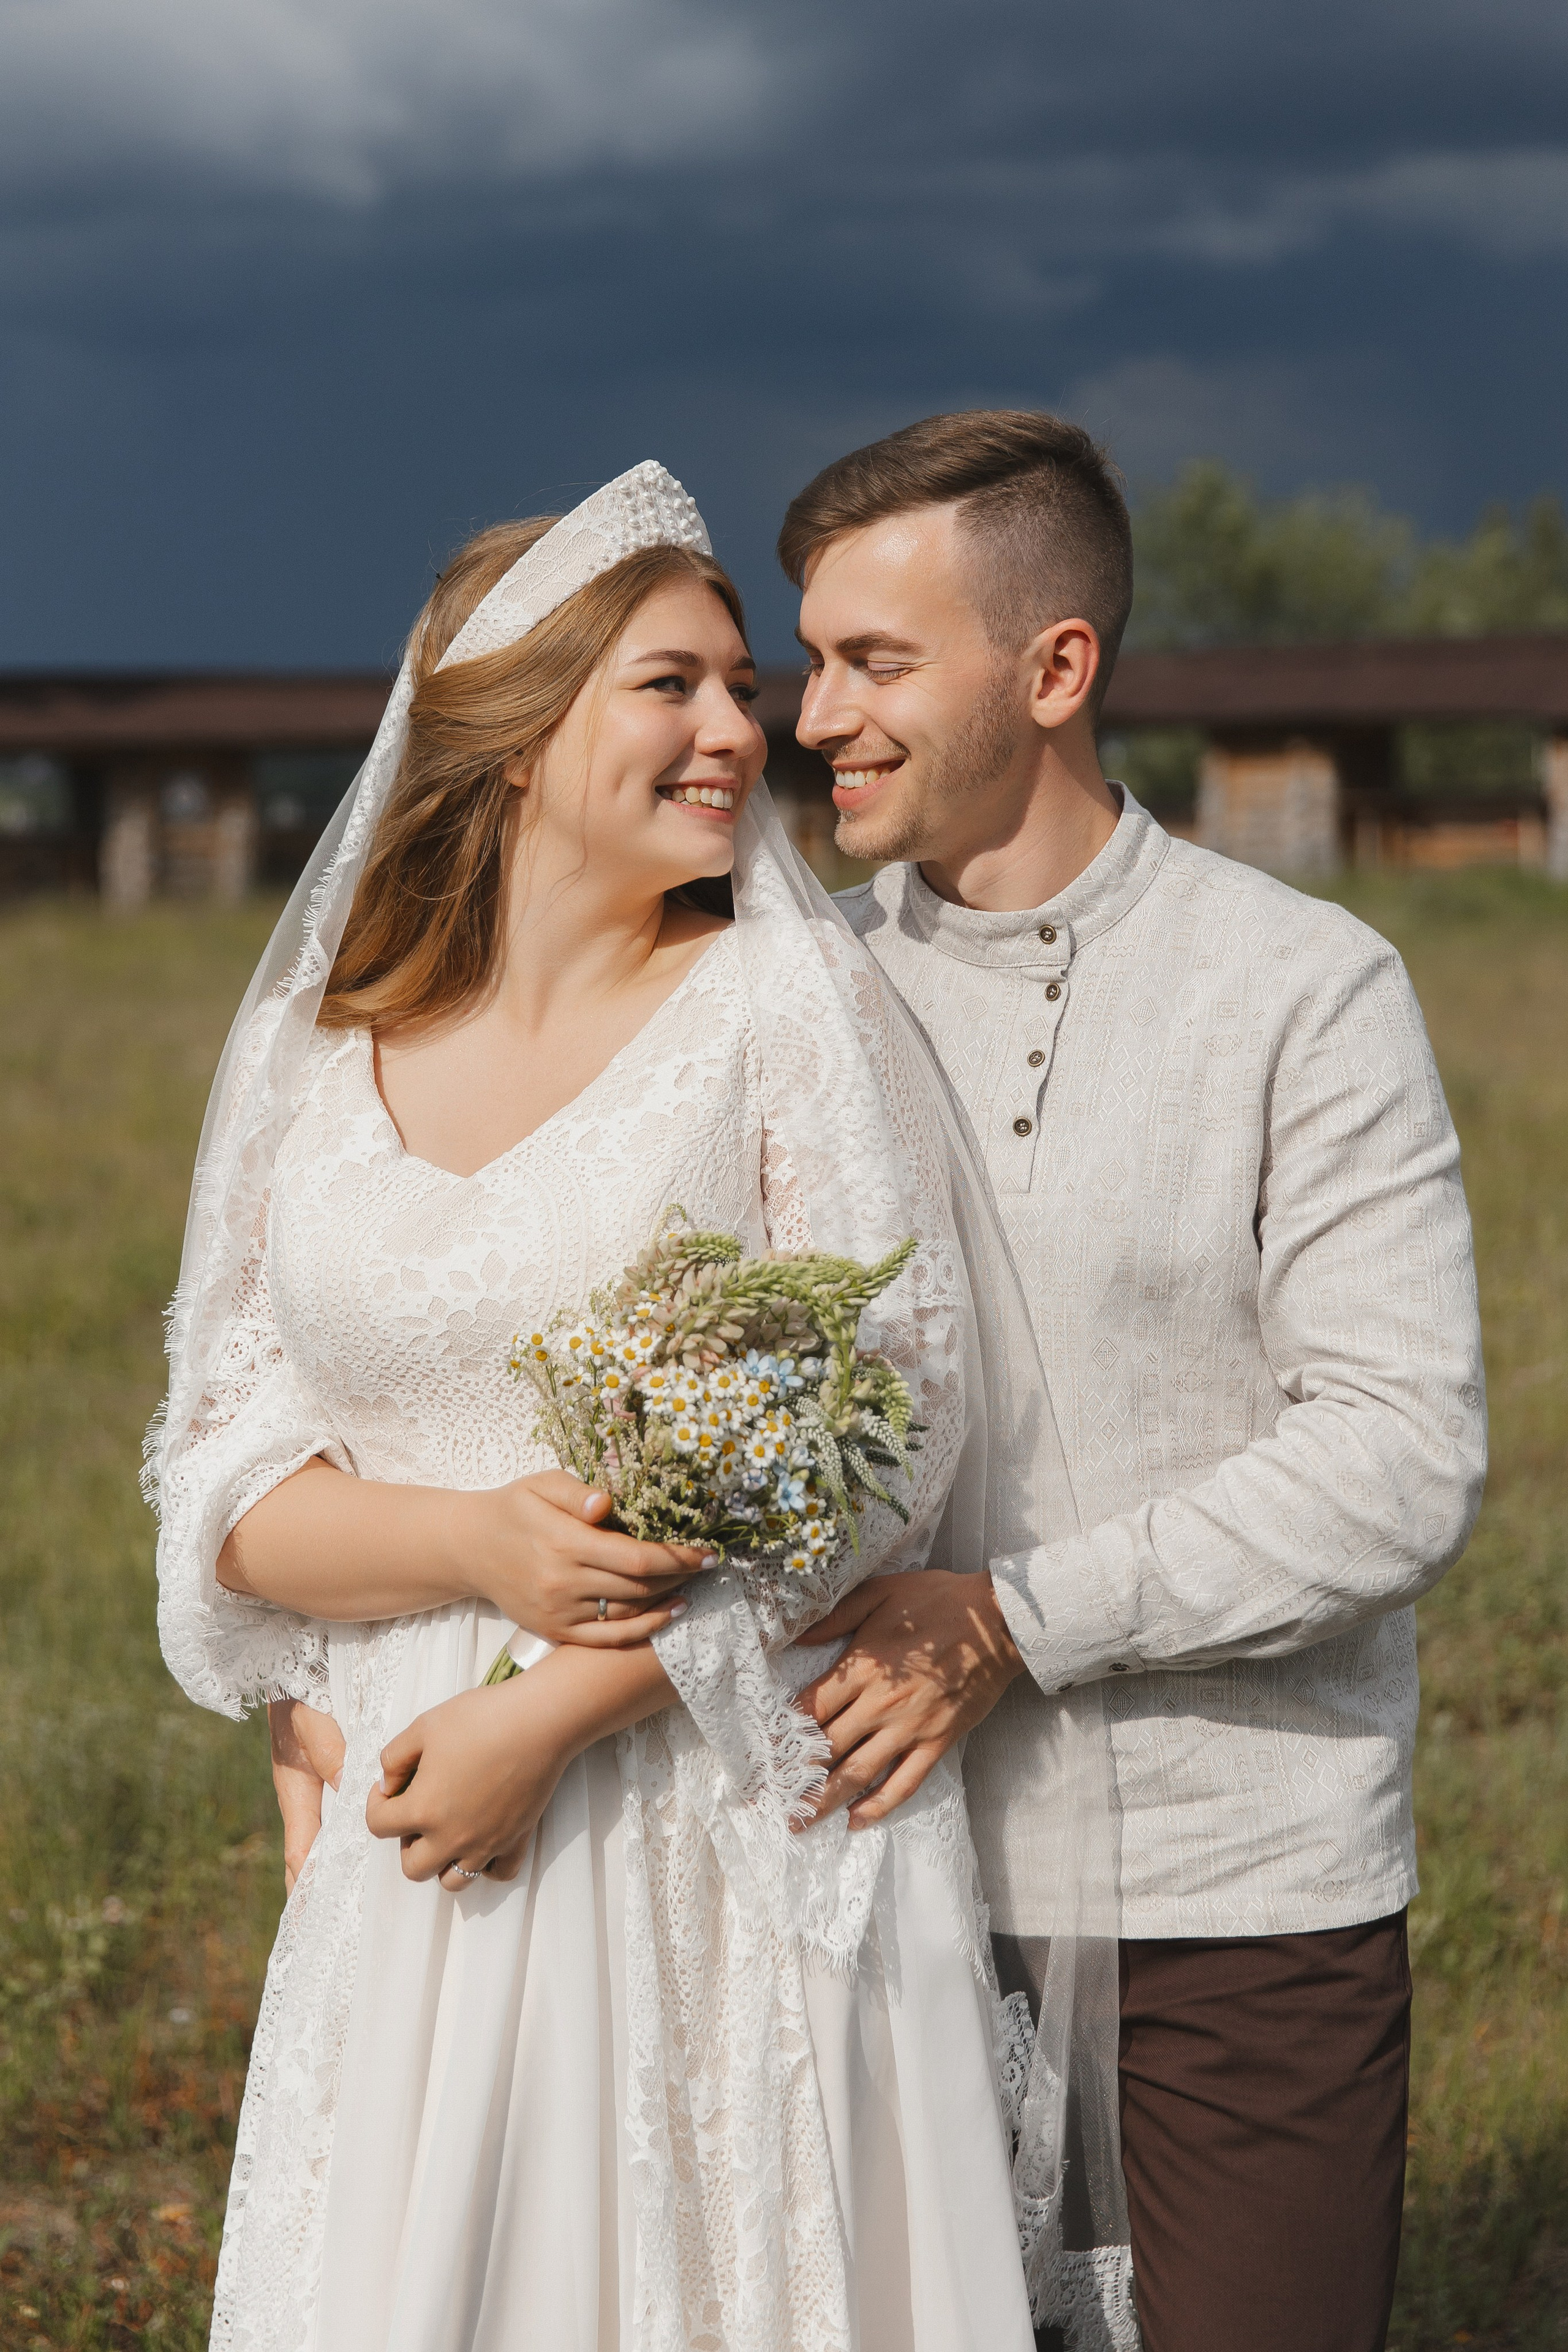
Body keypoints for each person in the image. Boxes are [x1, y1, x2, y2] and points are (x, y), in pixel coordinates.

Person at [149, 465, 1060, 2352]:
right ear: (509, 733)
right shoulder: (323, 1055)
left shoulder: (776, 1010)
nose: (746, 729)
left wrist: (554, 1713)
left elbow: (888, 1440)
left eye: (745, 685)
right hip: (410, 1823)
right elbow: (223, 1472)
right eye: (677, 686)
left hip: (699, 1808)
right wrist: (466, 1544)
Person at [775, 410, 1488, 2352]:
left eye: (876, 660)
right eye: (812, 654)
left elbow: (1401, 1461)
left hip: (1239, 1903)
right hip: (868, 1879)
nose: (816, 709)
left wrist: (1008, 1618)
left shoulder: (1306, 989)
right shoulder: (789, 1009)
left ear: (1056, 666)